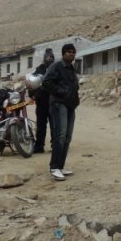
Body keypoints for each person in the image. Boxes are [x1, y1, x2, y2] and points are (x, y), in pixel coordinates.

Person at [41, 43, 80, 181]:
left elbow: (74, 86)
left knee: (68, 137)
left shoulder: (71, 69)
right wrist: (61, 92)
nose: (71, 54)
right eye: (68, 52)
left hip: (71, 105)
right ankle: (54, 167)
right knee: (60, 135)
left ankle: (61, 166)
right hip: (59, 104)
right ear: (63, 54)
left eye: (73, 52)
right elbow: (46, 82)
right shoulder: (56, 67)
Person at [31, 48, 55, 154]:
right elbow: (31, 83)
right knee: (40, 125)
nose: (50, 59)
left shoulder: (56, 69)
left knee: (55, 125)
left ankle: (56, 145)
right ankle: (39, 146)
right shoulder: (39, 69)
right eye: (48, 57)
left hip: (54, 102)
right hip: (41, 102)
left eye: (51, 57)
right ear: (44, 58)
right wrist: (32, 95)